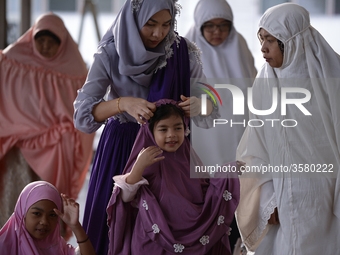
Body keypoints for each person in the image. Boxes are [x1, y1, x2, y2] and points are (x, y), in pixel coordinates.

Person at [73, 0, 218, 253]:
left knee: (165, 234)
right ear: (133, 19)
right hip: (121, 149)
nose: (158, 34)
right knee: (116, 229)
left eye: (166, 25)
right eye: (150, 24)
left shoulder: (182, 52)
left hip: (168, 154)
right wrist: (121, 104)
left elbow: (211, 107)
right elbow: (82, 117)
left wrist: (200, 104)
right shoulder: (110, 52)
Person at [235, 3, 340, 254]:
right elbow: (256, 146)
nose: (263, 48)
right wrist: (268, 199)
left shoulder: (330, 77)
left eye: (270, 40)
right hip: (282, 196)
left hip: (326, 195)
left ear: (291, 40)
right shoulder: (265, 81)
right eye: (261, 39)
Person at [106, 99, 240, 254]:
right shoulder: (145, 160)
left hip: (192, 240)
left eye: (178, 128)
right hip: (152, 242)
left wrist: (227, 173)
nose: (172, 135)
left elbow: (207, 193)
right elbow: (124, 197)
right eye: (163, 129)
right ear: (150, 131)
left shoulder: (190, 159)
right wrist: (138, 167)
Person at [0, 13, 94, 230]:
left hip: (55, 150)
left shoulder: (76, 71)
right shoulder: (13, 60)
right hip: (20, 147)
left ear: (62, 43)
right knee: (14, 199)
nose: (44, 46)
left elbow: (82, 113)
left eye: (51, 42)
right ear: (31, 38)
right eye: (40, 40)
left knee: (48, 200)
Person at [185, 0, 257, 251]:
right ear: (199, 26)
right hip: (203, 142)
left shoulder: (240, 47)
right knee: (206, 201)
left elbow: (256, 90)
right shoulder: (186, 53)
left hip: (239, 139)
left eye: (223, 25)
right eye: (210, 26)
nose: (217, 32)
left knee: (238, 200)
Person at [0, 181, 96, 255]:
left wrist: (75, 226)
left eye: (52, 215)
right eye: (37, 213)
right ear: (22, 213)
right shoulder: (3, 246)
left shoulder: (57, 246)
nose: (44, 222)